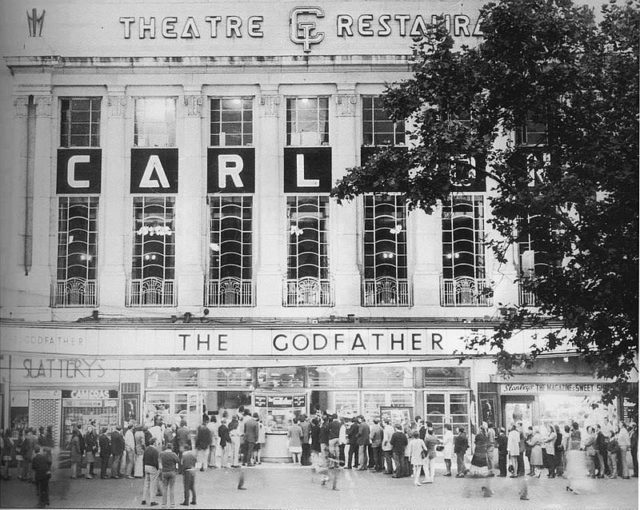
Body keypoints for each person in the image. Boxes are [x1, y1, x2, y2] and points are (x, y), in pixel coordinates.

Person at [159, 444, 179, 509]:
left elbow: (159, 462)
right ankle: (172, 504)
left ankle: (164, 504)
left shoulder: (162, 454)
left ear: (166, 447)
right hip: (172, 472)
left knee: (164, 488)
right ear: (171, 448)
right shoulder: (174, 454)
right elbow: (178, 461)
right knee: (172, 488)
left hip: (164, 472)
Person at [142, 437, 160, 507]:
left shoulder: (146, 449)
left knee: (146, 484)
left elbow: (143, 459)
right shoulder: (155, 450)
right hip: (152, 467)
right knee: (153, 485)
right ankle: (152, 501)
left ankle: (143, 499)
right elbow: (156, 461)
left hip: (146, 467)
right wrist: (158, 469)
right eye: (156, 442)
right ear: (154, 442)